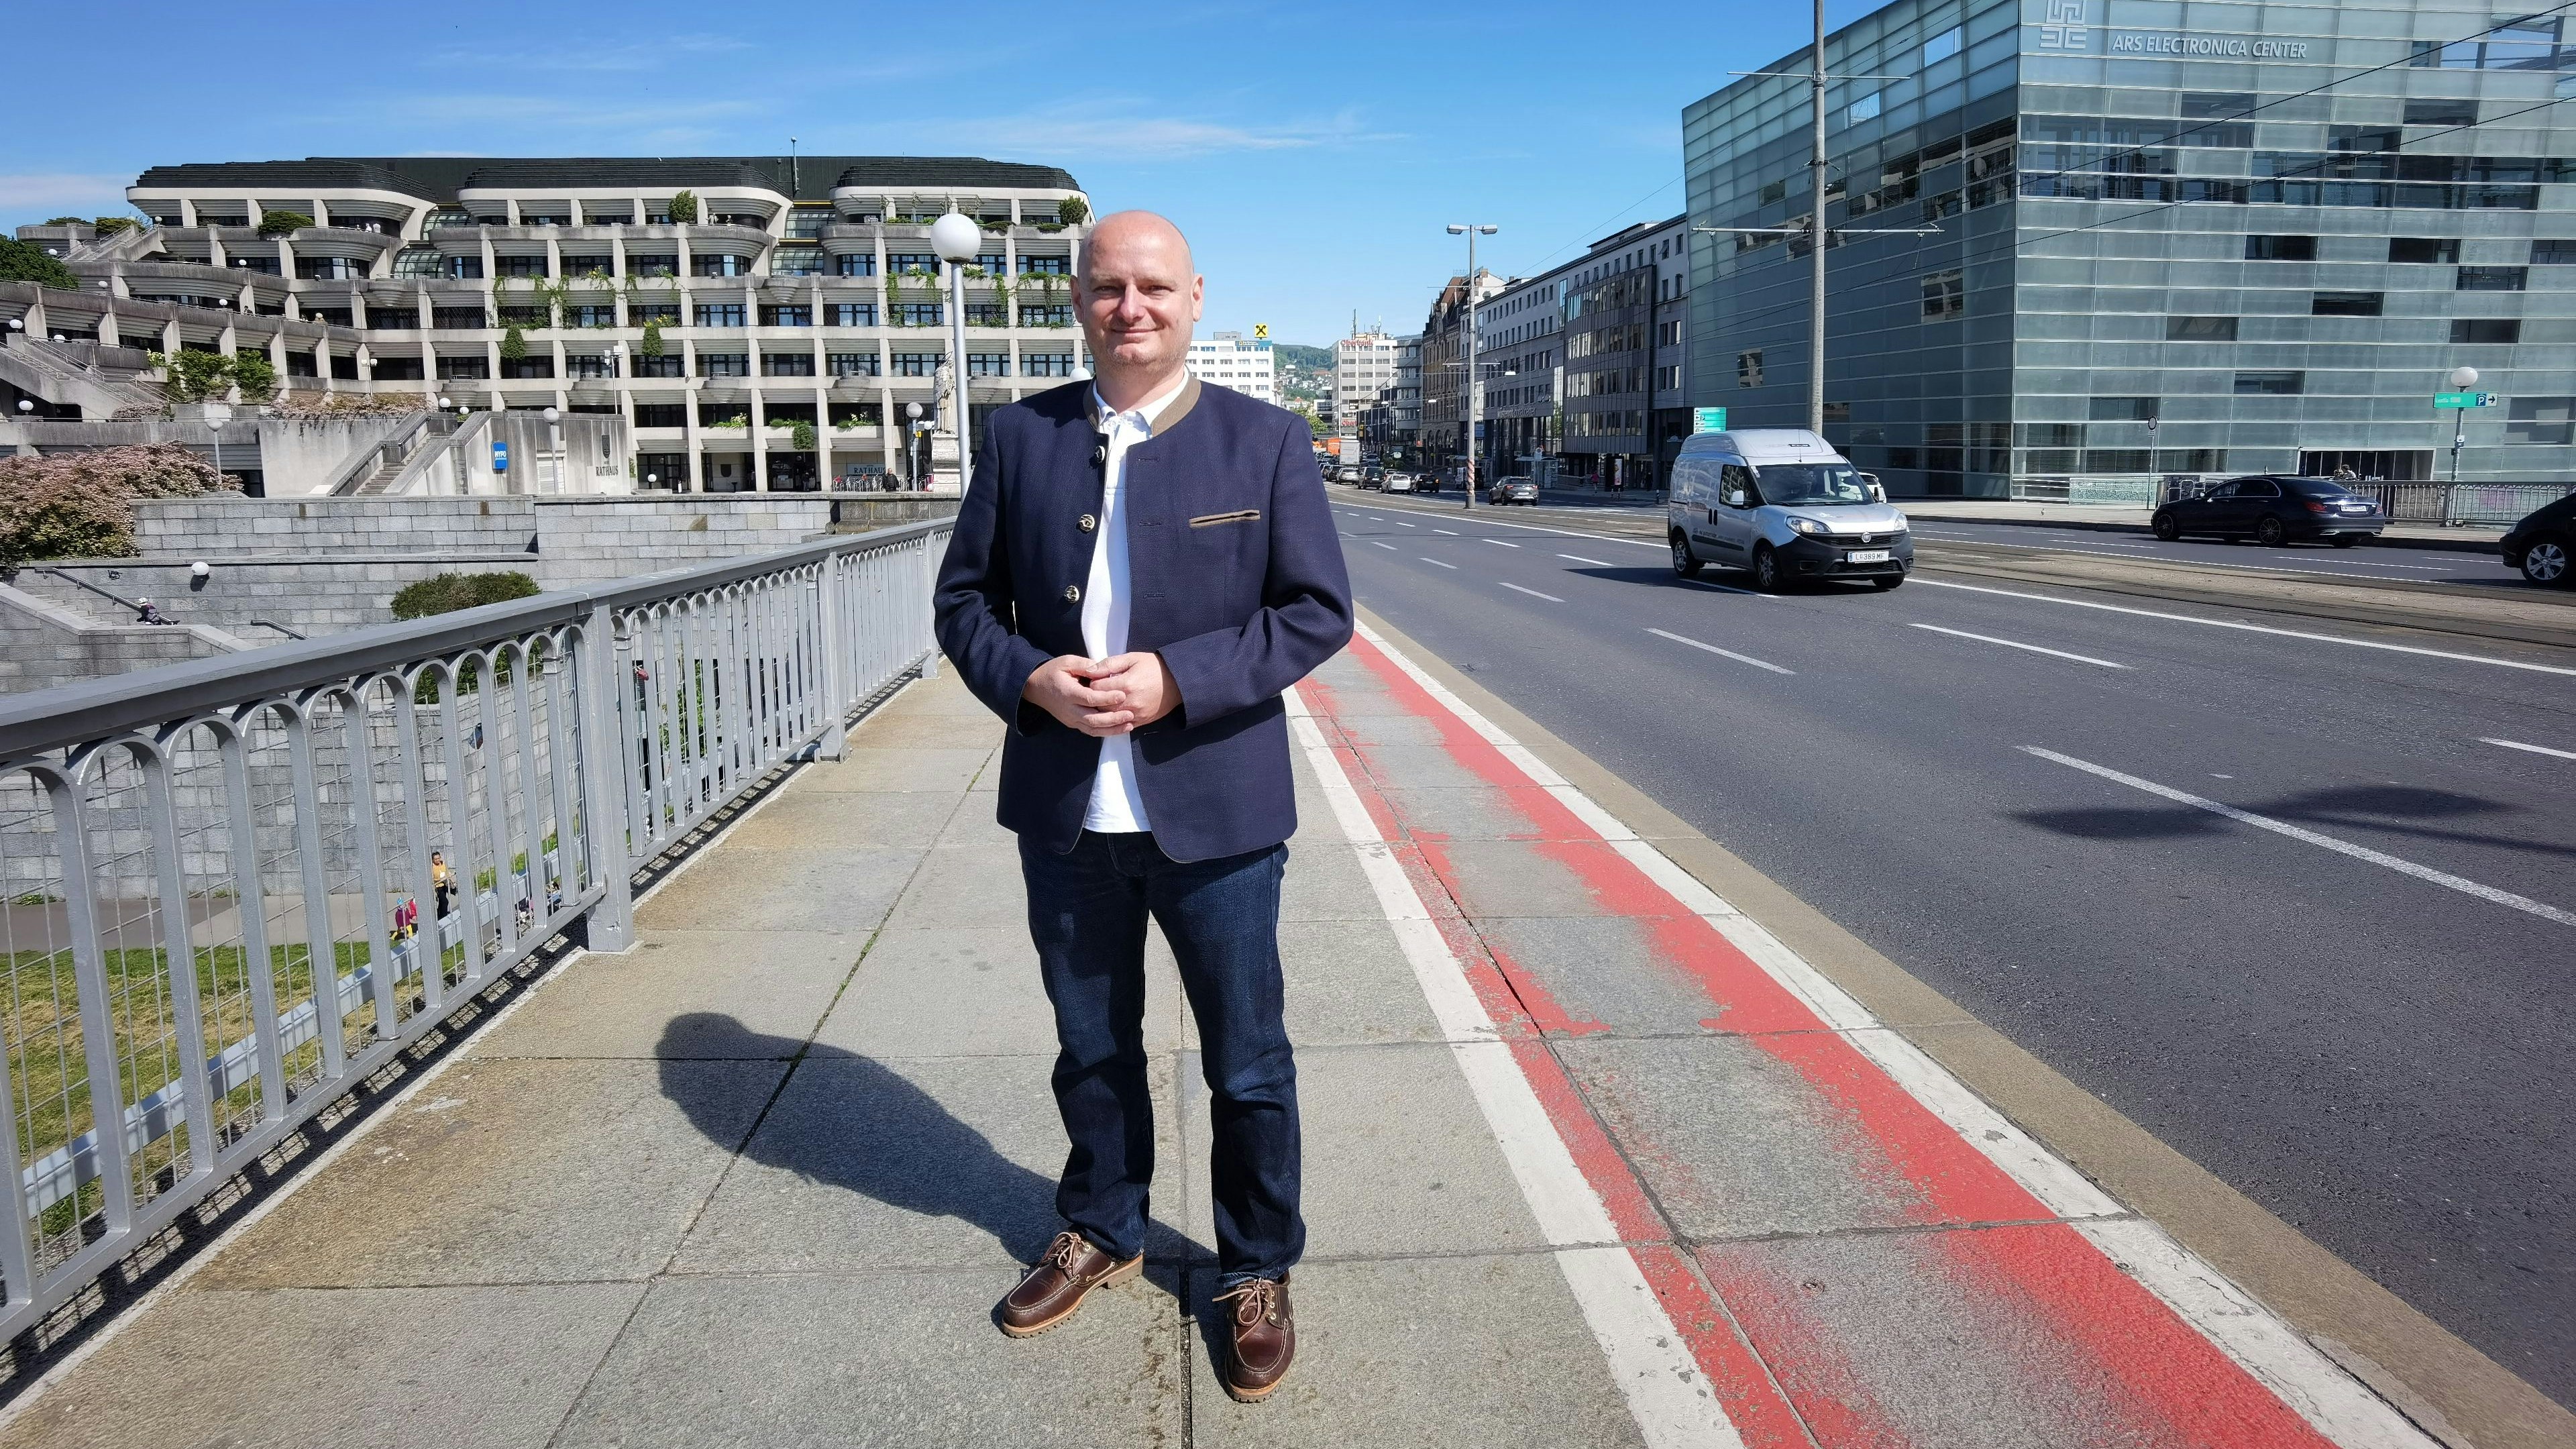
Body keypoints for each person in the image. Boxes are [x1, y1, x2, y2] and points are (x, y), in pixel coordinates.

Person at [933, 211, 1352, 1403]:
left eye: (1154, 288)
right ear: (1079, 300)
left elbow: (1317, 613)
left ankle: (1257, 1265)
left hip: (1215, 814)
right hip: (1068, 819)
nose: (1133, 308)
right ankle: (1104, 1226)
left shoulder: (1265, 441)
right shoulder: (1020, 438)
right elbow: (963, 605)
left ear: (1196, 298)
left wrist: (1179, 677)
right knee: (1091, 1047)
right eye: (1110, 287)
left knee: (1249, 1063)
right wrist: (1028, 678)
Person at [430, 851, 453, 924]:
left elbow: (447, 871)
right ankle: (444, 917)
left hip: (444, 884)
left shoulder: (443, 864)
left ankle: (439, 916)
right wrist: (439, 879)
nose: (437, 860)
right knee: (445, 902)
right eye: (435, 859)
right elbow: (431, 878)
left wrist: (449, 877)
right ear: (433, 860)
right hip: (438, 886)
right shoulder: (432, 867)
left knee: (441, 902)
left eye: (438, 858)